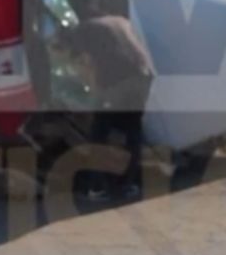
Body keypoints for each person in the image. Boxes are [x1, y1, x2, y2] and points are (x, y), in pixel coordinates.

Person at [59, 15, 155, 201]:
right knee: (132, 130)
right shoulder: (115, 20)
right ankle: (127, 186)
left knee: (98, 133)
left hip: (118, 81)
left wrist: (94, 104)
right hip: (143, 75)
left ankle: (97, 187)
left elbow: (92, 68)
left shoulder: (81, 34)